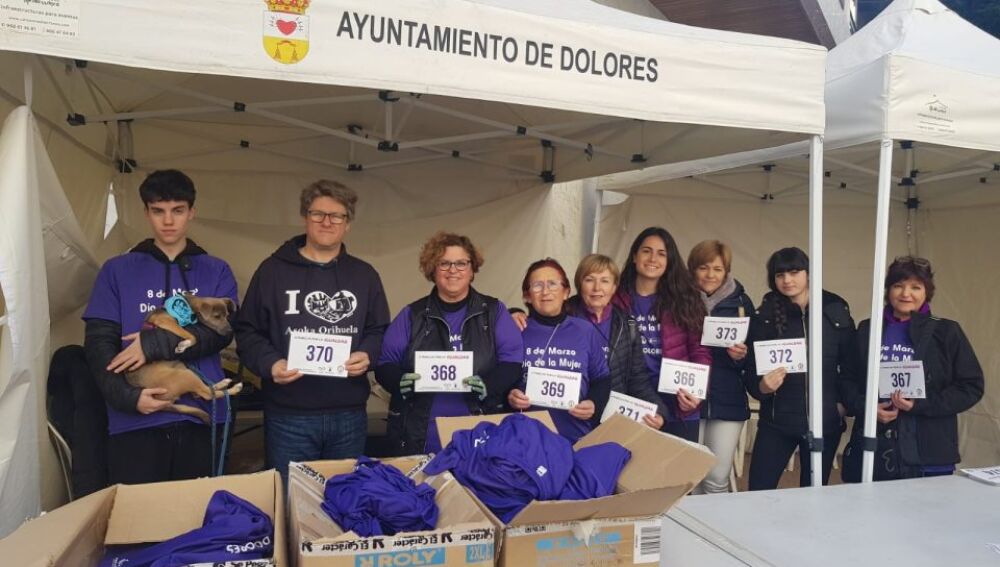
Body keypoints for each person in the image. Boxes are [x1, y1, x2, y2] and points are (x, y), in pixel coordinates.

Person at [83, 169, 238, 484]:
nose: (168, 221)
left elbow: (220, 334)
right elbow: (98, 344)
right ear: (146, 213)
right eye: (158, 211)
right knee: (138, 525)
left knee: (198, 522)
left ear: (191, 213)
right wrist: (127, 398)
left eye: (177, 211)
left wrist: (152, 345)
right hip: (135, 419)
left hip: (204, 416)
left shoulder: (216, 269)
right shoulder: (117, 270)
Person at [234, 179, 389, 478]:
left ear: (348, 224)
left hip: (349, 413)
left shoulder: (364, 275)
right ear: (305, 216)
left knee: (345, 499)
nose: (327, 222)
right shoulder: (272, 271)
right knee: (292, 501)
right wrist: (270, 363)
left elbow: (380, 329)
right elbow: (247, 330)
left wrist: (369, 354)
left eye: (337, 216)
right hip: (289, 416)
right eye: (318, 214)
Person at [376, 232, 524, 455]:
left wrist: (489, 385)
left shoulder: (494, 312)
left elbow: (512, 362)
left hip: (480, 431)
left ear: (472, 269)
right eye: (444, 263)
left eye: (461, 263)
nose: (453, 270)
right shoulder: (411, 315)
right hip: (421, 434)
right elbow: (384, 363)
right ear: (432, 270)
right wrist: (399, 381)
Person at [841, 256, 984, 481]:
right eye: (898, 286)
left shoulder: (947, 331)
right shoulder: (868, 329)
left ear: (927, 292)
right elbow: (847, 380)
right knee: (870, 513)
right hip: (875, 446)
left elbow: (971, 386)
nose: (906, 294)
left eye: (915, 287)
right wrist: (867, 408)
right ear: (888, 290)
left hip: (930, 448)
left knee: (928, 513)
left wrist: (920, 404)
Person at [745, 247, 856, 490]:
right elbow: (751, 369)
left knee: (814, 495)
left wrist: (843, 404)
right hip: (777, 421)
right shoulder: (764, 314)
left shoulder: (835, 308)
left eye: (794, 272)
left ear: (808, 273)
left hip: (824, 421)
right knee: (757, 492)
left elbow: (851, 364)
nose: (787, 280)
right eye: (779, 275)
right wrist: (762, 386)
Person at [613, 227, 710, 442]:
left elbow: (700, 351)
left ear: (669, 261)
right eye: (646, 251)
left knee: (678, 474)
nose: (653, 258)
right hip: (633, 400)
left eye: (661, 253)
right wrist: (519, 315)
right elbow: (579, 308)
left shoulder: (686, 300)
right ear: (635, 256)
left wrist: (697, 394)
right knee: (629, 472)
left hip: (678, 402)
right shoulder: (615, 297)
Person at [507, 259, 612, 442]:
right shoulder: (516, 330)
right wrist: (510, 396)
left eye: (553, 284)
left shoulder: (585, 331)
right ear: (527, 296)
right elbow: (502, 376)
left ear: (566, 293)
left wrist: (593, 404)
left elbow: (602, 379)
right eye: (537, 285)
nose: (546, 291)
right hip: (524, 438)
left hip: (575, 437)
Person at [687, 240, 754, 494]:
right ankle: (690, 534)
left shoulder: (742, 304)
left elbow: (753, 358)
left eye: (717, 269)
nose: (710, 275)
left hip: (727, 399)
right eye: (704, 268)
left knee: (717, 477)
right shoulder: (680, 299)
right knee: (689, 477)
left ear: (727, 271)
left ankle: (714, 533)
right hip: (688, 396)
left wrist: (741, 356)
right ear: (693, 269)